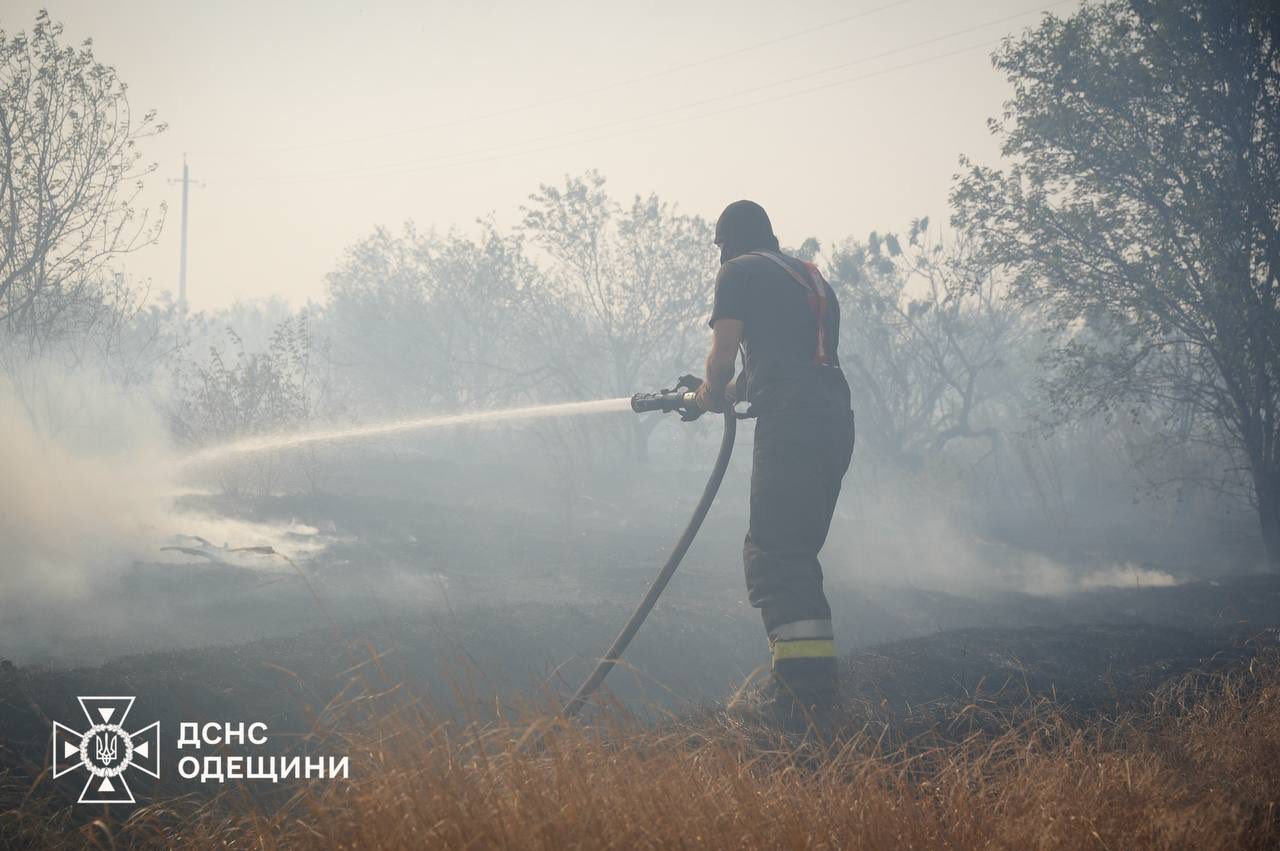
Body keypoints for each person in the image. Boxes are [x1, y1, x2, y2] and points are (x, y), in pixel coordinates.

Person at [694, 200, 855, 721]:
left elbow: (723, 356)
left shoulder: (736, 272)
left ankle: (798, 693)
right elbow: (787, 359)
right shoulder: (809, 276)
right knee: (797, 551)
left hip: (790, 424)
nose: (720, 255)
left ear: (728, 242)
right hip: (834, 420)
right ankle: (816, 688)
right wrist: (732, 391)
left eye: (720, 245)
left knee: (774, 554)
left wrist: (708, 392)